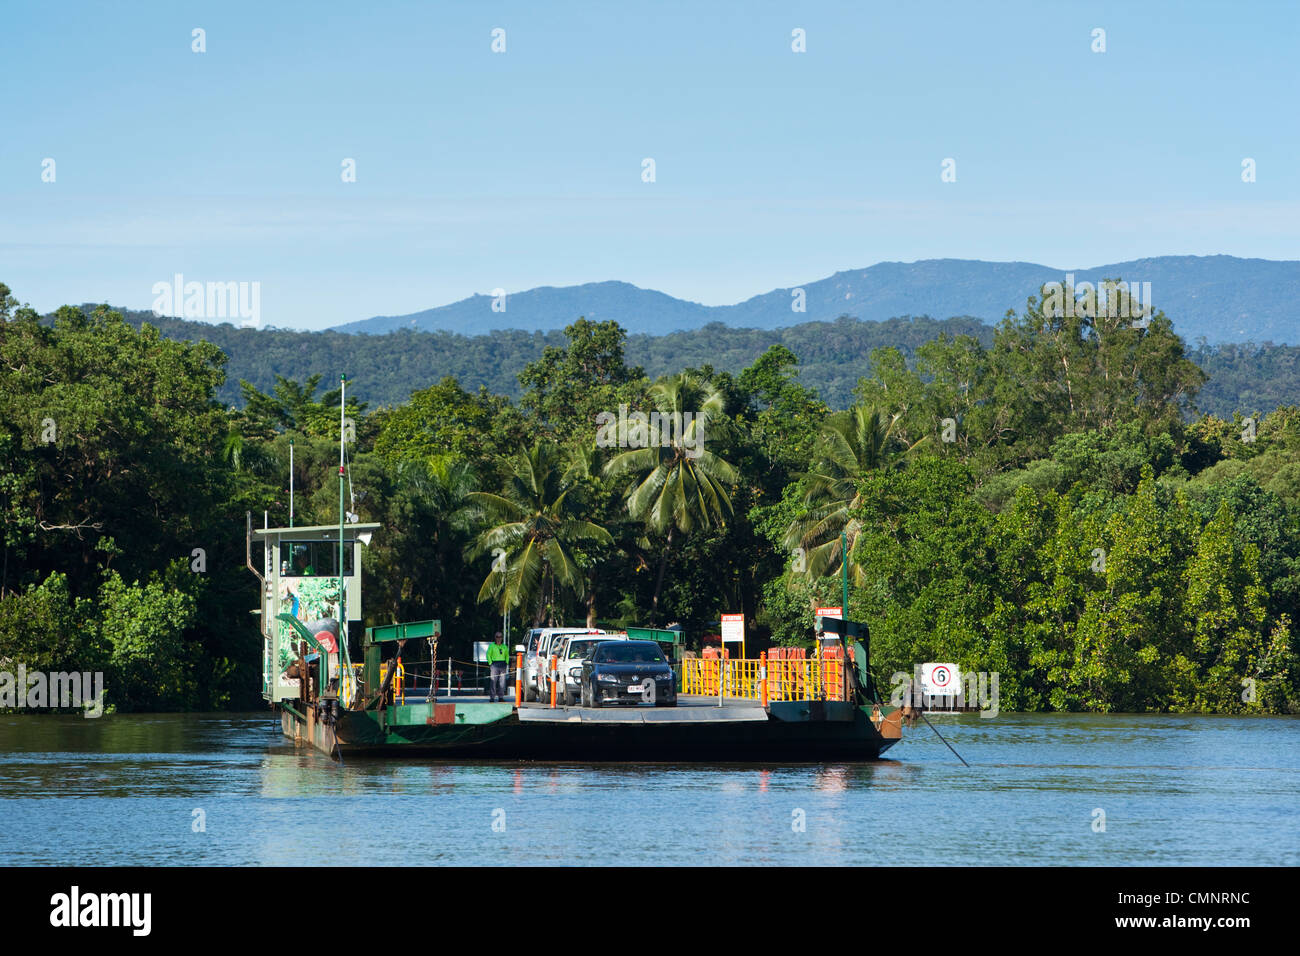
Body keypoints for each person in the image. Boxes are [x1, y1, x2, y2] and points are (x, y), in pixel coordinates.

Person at [486, 631, 510, 702]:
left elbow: (507, 655)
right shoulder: (492, 646)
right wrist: (490, 663)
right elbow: (488, 654)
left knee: (502, 682)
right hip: (494, 664)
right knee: (493, 681)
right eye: (497, 637)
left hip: (502, 664)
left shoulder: (504, 647)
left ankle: (501, 697)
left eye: (500, 637)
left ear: (502, 638)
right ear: (495, 638)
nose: (499, 638)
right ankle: (492, 697)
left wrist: (506, 662)